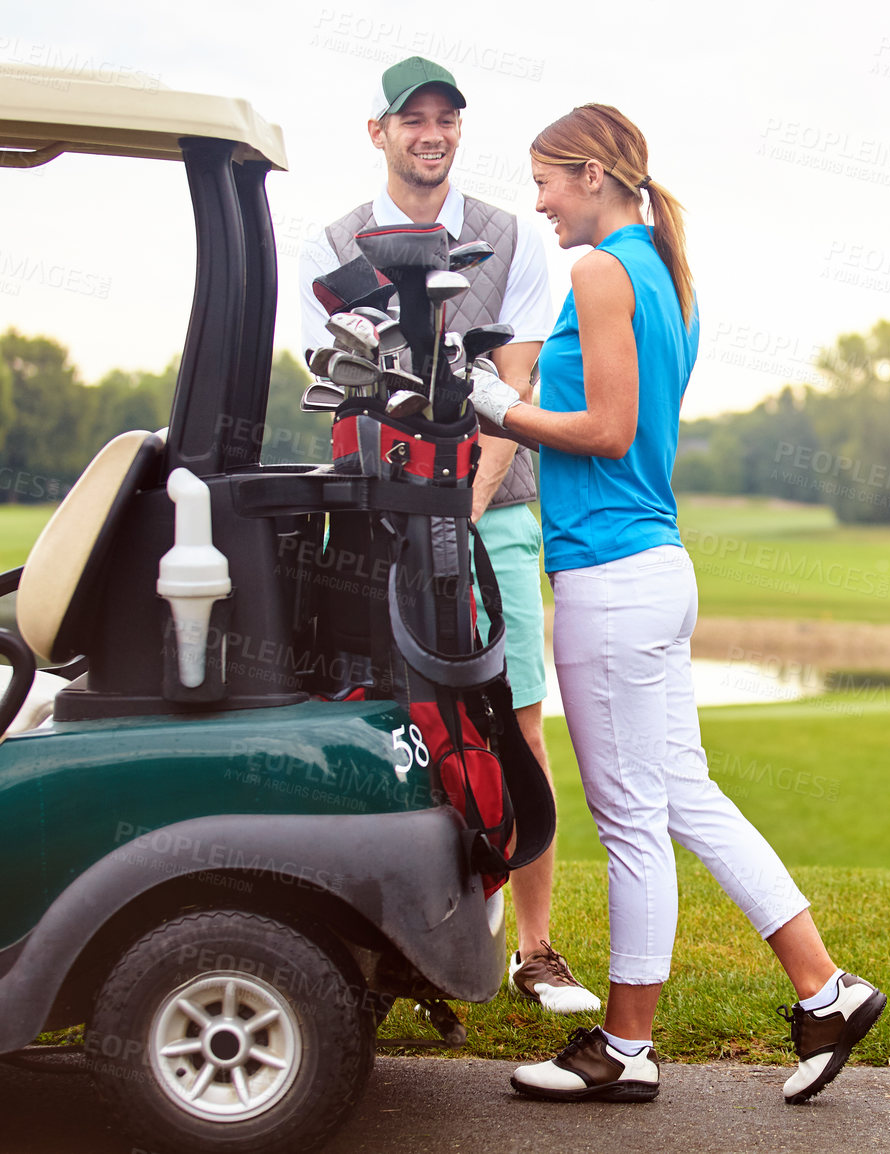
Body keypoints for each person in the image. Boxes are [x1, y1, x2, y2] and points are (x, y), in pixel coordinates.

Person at [471, 103, 885, 1104]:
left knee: (629, 820)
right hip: (652, 569)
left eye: (549, 182)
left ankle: (624, 1044)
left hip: (611, 578)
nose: (540, 203)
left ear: (595, 174)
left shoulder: (603, 271)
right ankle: (826, 988)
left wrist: (500, 409)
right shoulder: (665, 273)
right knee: (683, 794)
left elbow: (610, 428)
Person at [298, 56, 600, 1020]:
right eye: (412, 119)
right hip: (378, 522)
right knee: (390, 719)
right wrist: (413, 523)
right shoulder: (335, 240)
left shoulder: (509, 238)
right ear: (380, 132)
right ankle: (400, 939)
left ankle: (536, 949)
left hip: (495, 516)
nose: (431, 133)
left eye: (446, 119)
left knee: (513, 719)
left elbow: (512, 399)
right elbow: (341, 386)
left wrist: (456, 522)